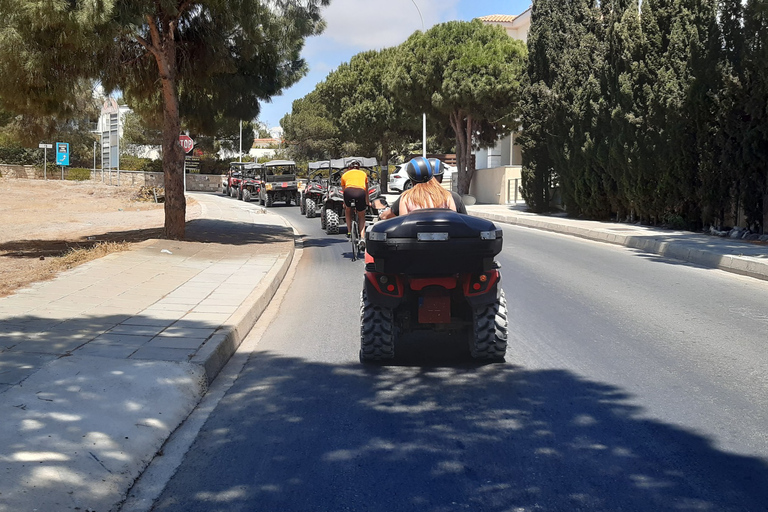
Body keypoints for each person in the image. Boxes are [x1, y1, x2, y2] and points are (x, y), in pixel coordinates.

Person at [379, 157, 466, 219]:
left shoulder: (405, 198)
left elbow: (404, 224)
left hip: (416, 244)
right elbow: (454, 221)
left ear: (411, 179)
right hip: (444, 243)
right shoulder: (447, 195)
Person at [340, 159, 369, 246]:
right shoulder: (364, 174)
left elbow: (344, 191)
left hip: (348, 192)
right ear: (358, 168)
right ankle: (362, 237)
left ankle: (349, 232)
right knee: (361, 215)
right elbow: (366, 190)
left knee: (347, 210)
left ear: (349, 168)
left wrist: (345, 204)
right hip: (360, 192)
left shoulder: (344, 175)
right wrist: (367, 202)